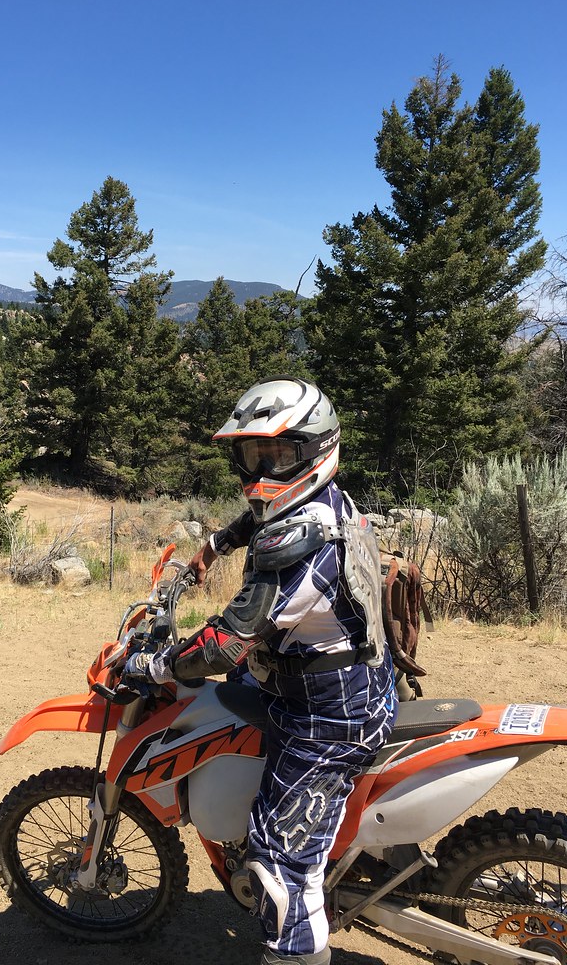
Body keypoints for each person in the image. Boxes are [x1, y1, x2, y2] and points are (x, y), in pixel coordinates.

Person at [123, 377, 396, 965]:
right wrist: (210, 550)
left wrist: (157, 662)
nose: (261, 471)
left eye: (276, 455)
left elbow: (226, 644)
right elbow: (257, 517)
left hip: (330, 714)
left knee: (278, 861)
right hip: (328, 681)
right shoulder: (321, 504)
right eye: (253, 456)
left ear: (312, 449)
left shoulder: (299, 547)